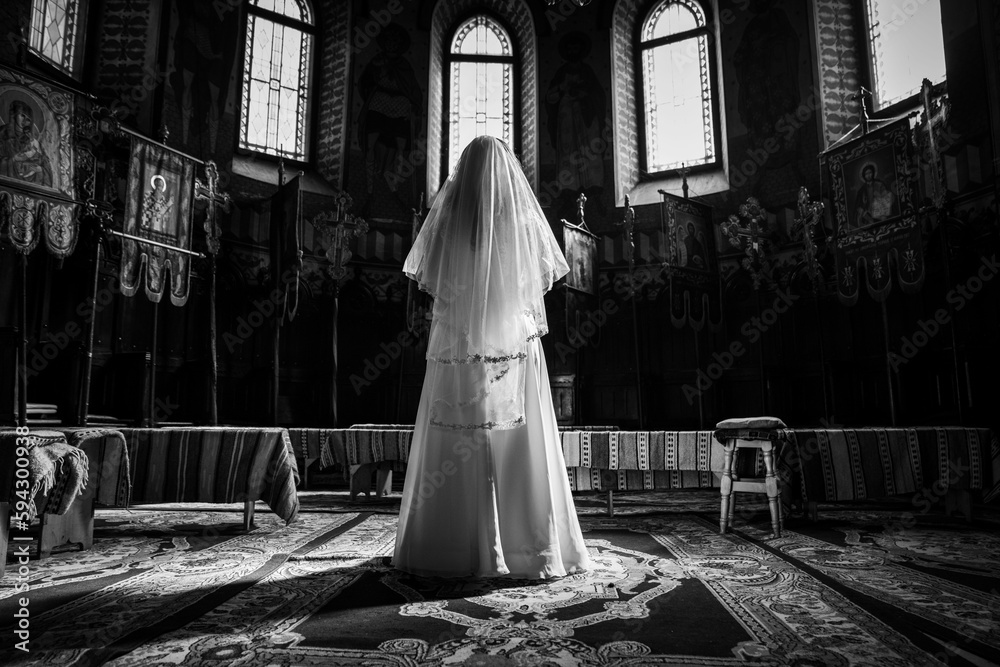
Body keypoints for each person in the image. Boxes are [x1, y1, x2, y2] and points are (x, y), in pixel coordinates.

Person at [393, 135, 591, 579]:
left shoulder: (449, 226)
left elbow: (441, 292)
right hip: (514, 346)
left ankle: (445, 545)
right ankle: (530, 548)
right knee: (518, 440)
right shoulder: (519, 224)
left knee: (460, 442)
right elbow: (530, 288)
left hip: (460, 346)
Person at [0, 100, 53, 187]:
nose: (24, 121)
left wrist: (41, 170)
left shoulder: (32, 141)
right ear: (14, 115)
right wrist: (13, 159)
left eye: (28, 119)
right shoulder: (2, 134)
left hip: (31, 186)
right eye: (22, 116)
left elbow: (44, 162)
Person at [853, 162, 895, 228]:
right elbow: (858, 205)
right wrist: (860, 209)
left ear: (873, 173)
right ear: (864, 176)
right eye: (866, 174)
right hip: (868, 215)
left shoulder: (879, 184)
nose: (868, 175)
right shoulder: (861, 190)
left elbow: (886, 197)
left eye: (870, 173)